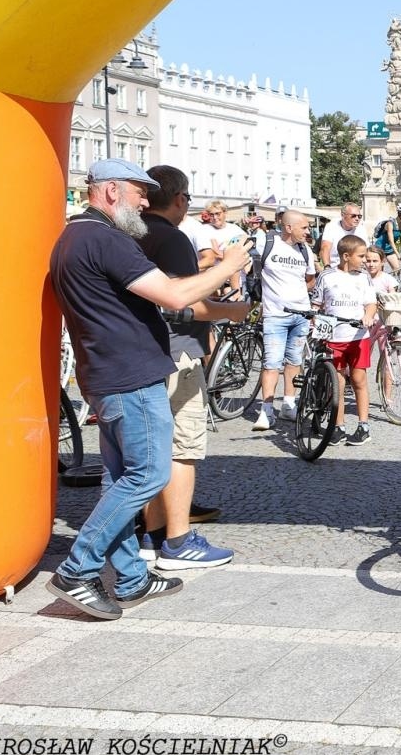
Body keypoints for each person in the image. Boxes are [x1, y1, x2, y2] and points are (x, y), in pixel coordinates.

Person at [47, 158, 251, 619]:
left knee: (121, 480)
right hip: (129, 376)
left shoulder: (74, 237)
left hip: (105, 373)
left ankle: (133, 578)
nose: (146, 200)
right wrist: (230, 265)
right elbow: (177, 296)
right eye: (140, 191)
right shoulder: (104, 239)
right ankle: (77, 570)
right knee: (148, 476)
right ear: (112, 191)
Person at [136, 166, 249, 571]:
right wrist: (237, 309)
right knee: (182, 449)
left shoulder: (130, 234)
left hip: (142, 353)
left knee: (152, 450)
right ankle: (178, 541)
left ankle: (151, 535)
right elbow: (186, 303)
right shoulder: (172, 237)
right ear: (181, 199)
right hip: (178, 352)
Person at [252, 209, 318, 430]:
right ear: (288, 227)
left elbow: (310, 279)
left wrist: (298, 296)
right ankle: (267, 410)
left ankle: (289, 403)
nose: (308, 232)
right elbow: (245, 260)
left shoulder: (305, 250)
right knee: (271, 363)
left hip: (301, 315)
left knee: (294, 361)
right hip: (275, 315)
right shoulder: (267, 243)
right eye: (304, 227)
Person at [314, 235, 378, 445]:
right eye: (361, 256)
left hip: (358, 337)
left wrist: (368, 316)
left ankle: (363, 426)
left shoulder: (363, 277)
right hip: (335, 336)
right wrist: (313, 320)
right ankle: (338, 426)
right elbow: (317, 304)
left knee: (359, 380)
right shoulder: (327, 276)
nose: (365, 260)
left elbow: (371, 303)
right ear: (346, 256)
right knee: (338, 384)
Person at [318, 202, 368, 268]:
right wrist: (327, 266)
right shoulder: (332, 226)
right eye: (353, 216)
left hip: (356, 269)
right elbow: (325, 248)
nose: (357, 219)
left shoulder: (361, 228)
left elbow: (367, 250)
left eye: (359, 216)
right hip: (335, 267)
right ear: (343, 215)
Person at [372, 202, 401, 274]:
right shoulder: (390, 223)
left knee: (397, 270)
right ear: (400, 213)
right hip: (379, 248)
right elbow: (391, 240)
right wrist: (397, 254)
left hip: (390, 249)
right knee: (379, 273)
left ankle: (392, 285)